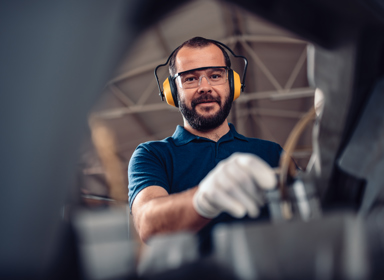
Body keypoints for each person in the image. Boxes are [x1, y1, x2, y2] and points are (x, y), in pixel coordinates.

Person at [128, 37, 282, 252]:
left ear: (232, 84)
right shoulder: (153, 154)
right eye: (190, 79)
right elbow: (147, 224)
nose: (204, 87)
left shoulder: (271, 152)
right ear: (172, 91)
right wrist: (203, 200)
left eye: (215, 76)